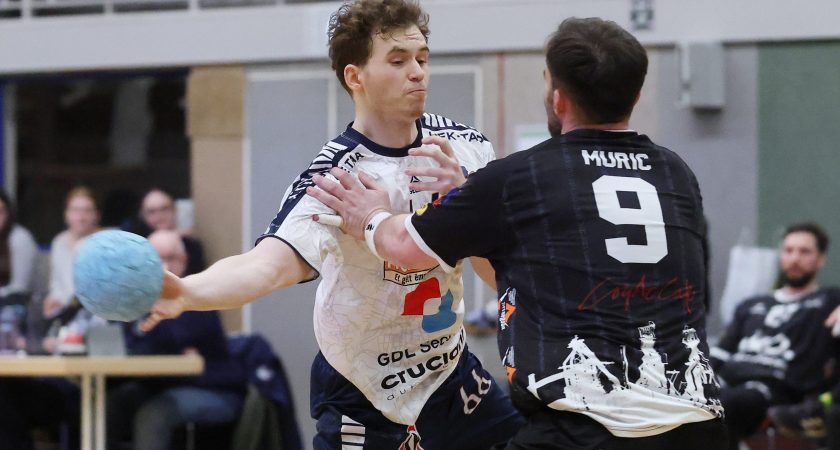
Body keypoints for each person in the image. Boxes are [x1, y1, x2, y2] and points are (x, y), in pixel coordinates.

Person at [308, 17, 728, 449]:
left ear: (558, 98)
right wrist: (466, 194)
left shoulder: (520, 178)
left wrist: (372, 215)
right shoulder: (676, 174)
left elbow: (403, 245)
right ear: (636, 96)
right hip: (697, 425)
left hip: (582, 431)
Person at [142, 1, 523, 448]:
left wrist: (467, 206)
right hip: (361, 387)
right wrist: (189, 292)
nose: (417, 73)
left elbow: (500, 273)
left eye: (422, 59)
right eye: (398, 61)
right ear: (355, 77)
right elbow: (265, 266)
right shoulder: (333, 179)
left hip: (448, 374)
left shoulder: (466, 148)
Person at [107, 230, 246, 450]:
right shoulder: (140, 299)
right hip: (161, 384)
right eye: (155, 260)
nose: (164, 267)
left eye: (170, 258)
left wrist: (150, 340)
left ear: (184, 260)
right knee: (110, 404)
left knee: (153, 414)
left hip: (213, 388)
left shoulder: (198, 298)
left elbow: (169, 344)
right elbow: (133, 346)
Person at [709, 222, 840, 448]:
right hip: (729, 379)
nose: (795, 258)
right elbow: (721, 353)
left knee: (720, 406)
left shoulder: (830, 300)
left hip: (774, 389)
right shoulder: (752, 304)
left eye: (804, 251)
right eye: (789, 250)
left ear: (820, 259)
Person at [42, 187, 101, 321]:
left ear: (97, 215)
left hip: (95, 316)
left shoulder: (105, 243)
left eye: (87, 211)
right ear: (66, 215)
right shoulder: (59, 241)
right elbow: (56, 284)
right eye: (75, 210)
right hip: (64, 312)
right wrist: (54, 298)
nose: (81, 217)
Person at [135, 188, 206, 275]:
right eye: (152, 212)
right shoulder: (137, 246)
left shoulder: (191, 244)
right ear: (143, 215)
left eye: (164, 209)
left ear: (174, 209)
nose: (159, 216)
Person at [0, 189, 38, 311]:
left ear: (8, 213)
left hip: (15, 303)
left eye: (0, 211)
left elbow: (20, 288)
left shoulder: (20, 238)